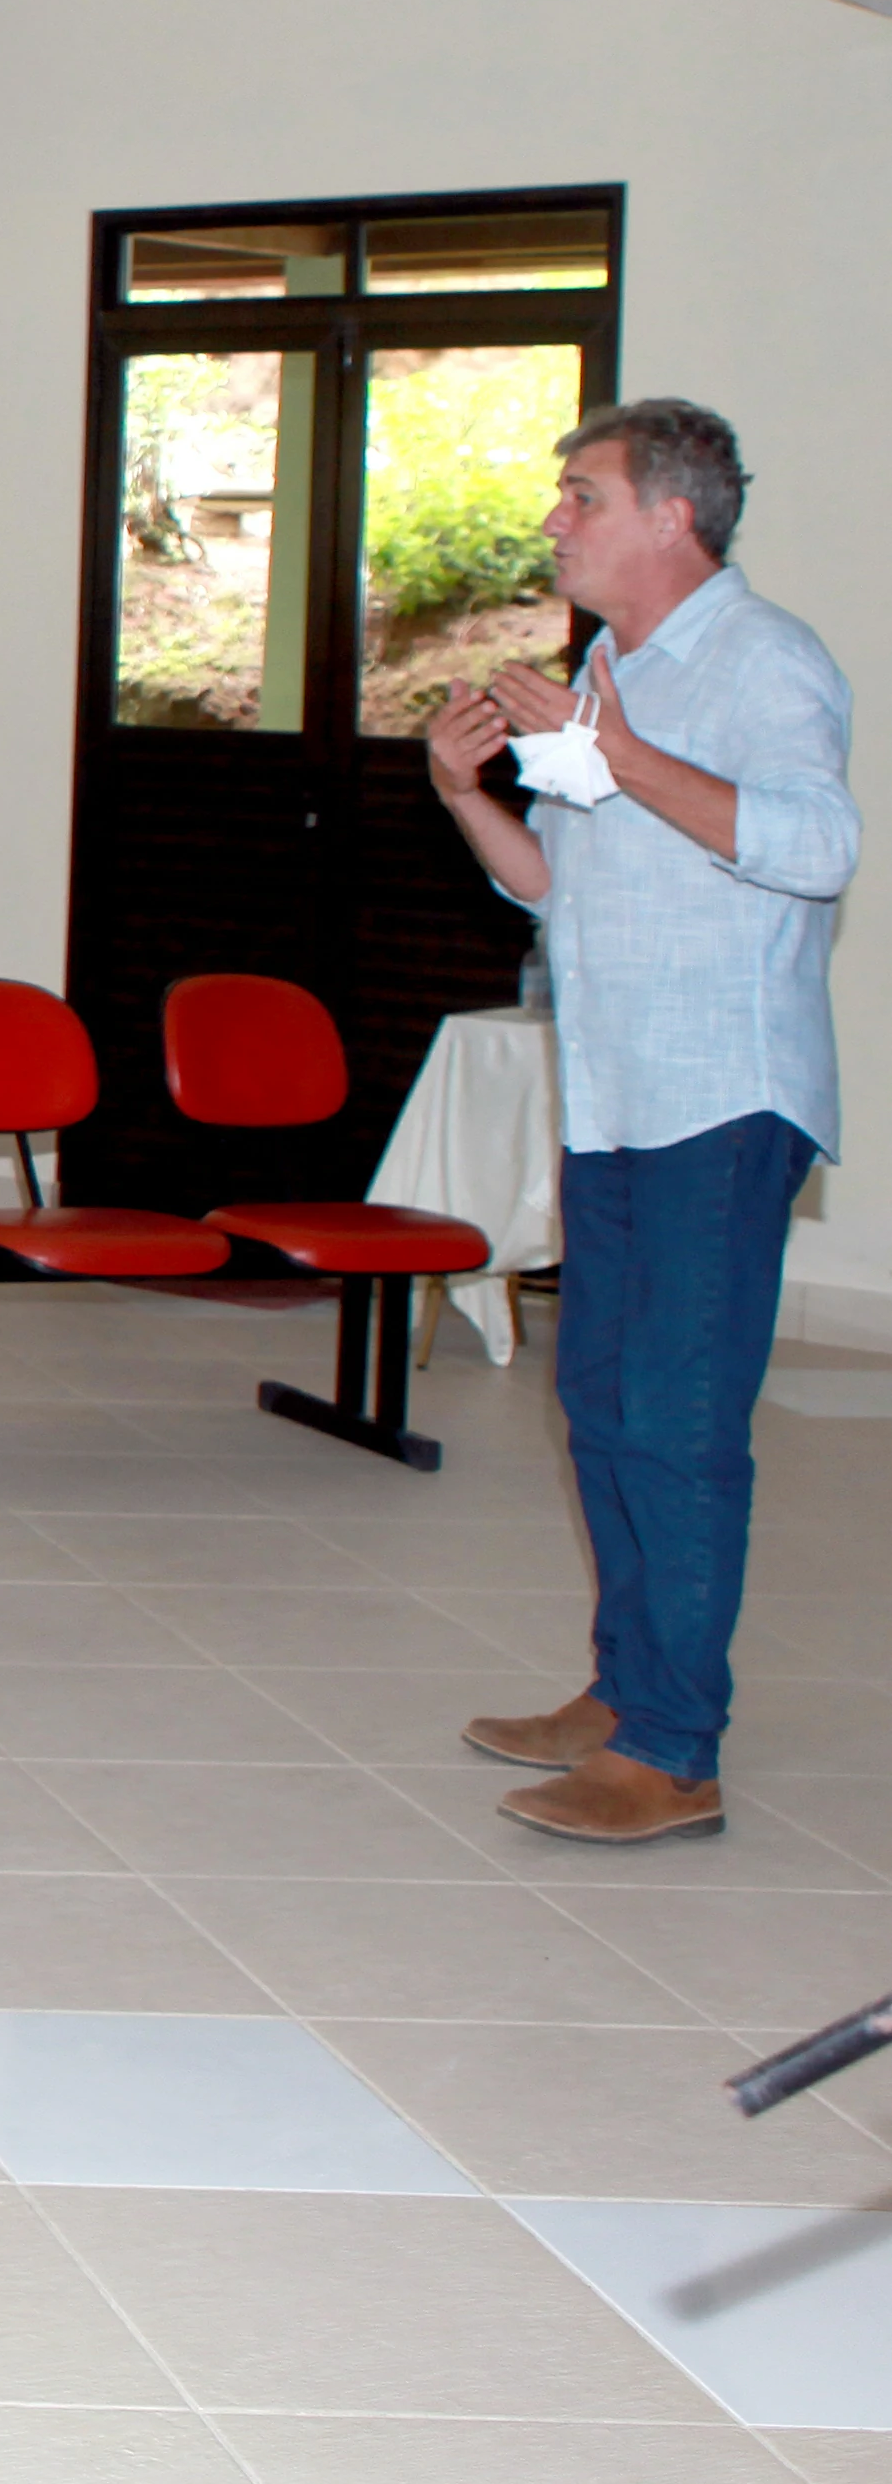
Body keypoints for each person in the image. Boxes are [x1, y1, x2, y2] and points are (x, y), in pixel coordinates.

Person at [427, 398, 852, 1846]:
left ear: (674, 515)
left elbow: (812, 843)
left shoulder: (763, 660)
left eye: (580, 494)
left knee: (673, 1424)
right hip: (617, 1094)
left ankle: (673, 1752)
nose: (554, 518)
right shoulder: (614, 661)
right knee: (599, 1405)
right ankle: (624, 1694)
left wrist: (619, 761)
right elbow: (557, 883)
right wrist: (461, 790)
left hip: (719, 1099)